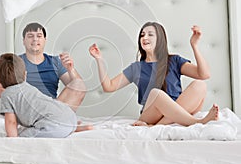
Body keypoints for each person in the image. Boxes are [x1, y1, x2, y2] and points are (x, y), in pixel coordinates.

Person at [89, 21, 219, 126]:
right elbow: (108, 86)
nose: (144, 37)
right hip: (152, 113)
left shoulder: (174, 61)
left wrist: (194, 45)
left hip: (179, 108)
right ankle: (197, 122)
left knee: (200, 85)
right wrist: (99, 60)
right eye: (142, 35)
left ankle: (158, 127)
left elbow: (204, 74)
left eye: (150, 34)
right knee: (156, 93)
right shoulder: (137, 68)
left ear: (160, 39)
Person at [0, 53, 92, 138]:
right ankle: (72, 128)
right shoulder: (28, 87)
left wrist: (12, 138)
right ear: (25, 75)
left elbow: (11, 122)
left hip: (54, 124)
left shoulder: (7, 94)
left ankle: (63, 129)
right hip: (69, 116)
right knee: (53, 120)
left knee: (22, 135)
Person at [0, 22, 85, 111]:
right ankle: (52, 119)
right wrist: (6, 91)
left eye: (39, 36)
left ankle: (53, 117)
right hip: (27, 110)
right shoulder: (16, 62)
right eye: (30, 36)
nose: (35, 39)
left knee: (79, 85)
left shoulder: (56, 62)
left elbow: (78, 87)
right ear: (24, 41)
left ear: (45, 40)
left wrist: (70, 69)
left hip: (52, 108)